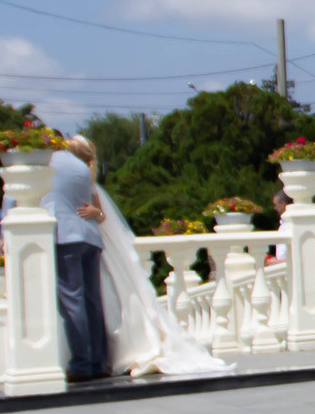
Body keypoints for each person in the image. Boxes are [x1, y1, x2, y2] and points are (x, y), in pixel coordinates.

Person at [62, 138, 230, 381]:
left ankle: (103, 354)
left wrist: (94, 213)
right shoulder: (79, 180)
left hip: (95, 245)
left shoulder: (86, 182)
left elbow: (101, 214)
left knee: (100, 297)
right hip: (91, 244)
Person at [48, 137, 112, 382]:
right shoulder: (79, 166)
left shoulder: (44, 164)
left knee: (72, 301)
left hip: (65, 237)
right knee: (92, 302)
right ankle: (99, 361)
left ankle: (81, 364)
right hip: (90, 237)